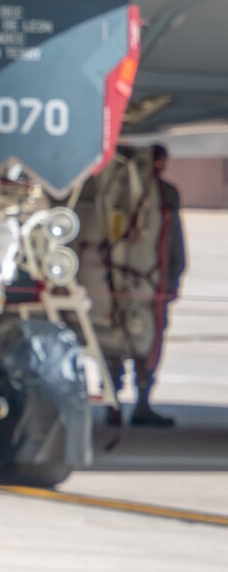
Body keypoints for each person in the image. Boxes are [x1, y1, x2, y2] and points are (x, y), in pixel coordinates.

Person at [107, 144, 186, 428]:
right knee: (113, 337)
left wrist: (173, 277)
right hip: (121, 278)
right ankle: (113, 402)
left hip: (153, 282)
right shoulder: (115, 192)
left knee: (150, 343)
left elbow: (173, 239)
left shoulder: (165, 195)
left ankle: (141, 402)